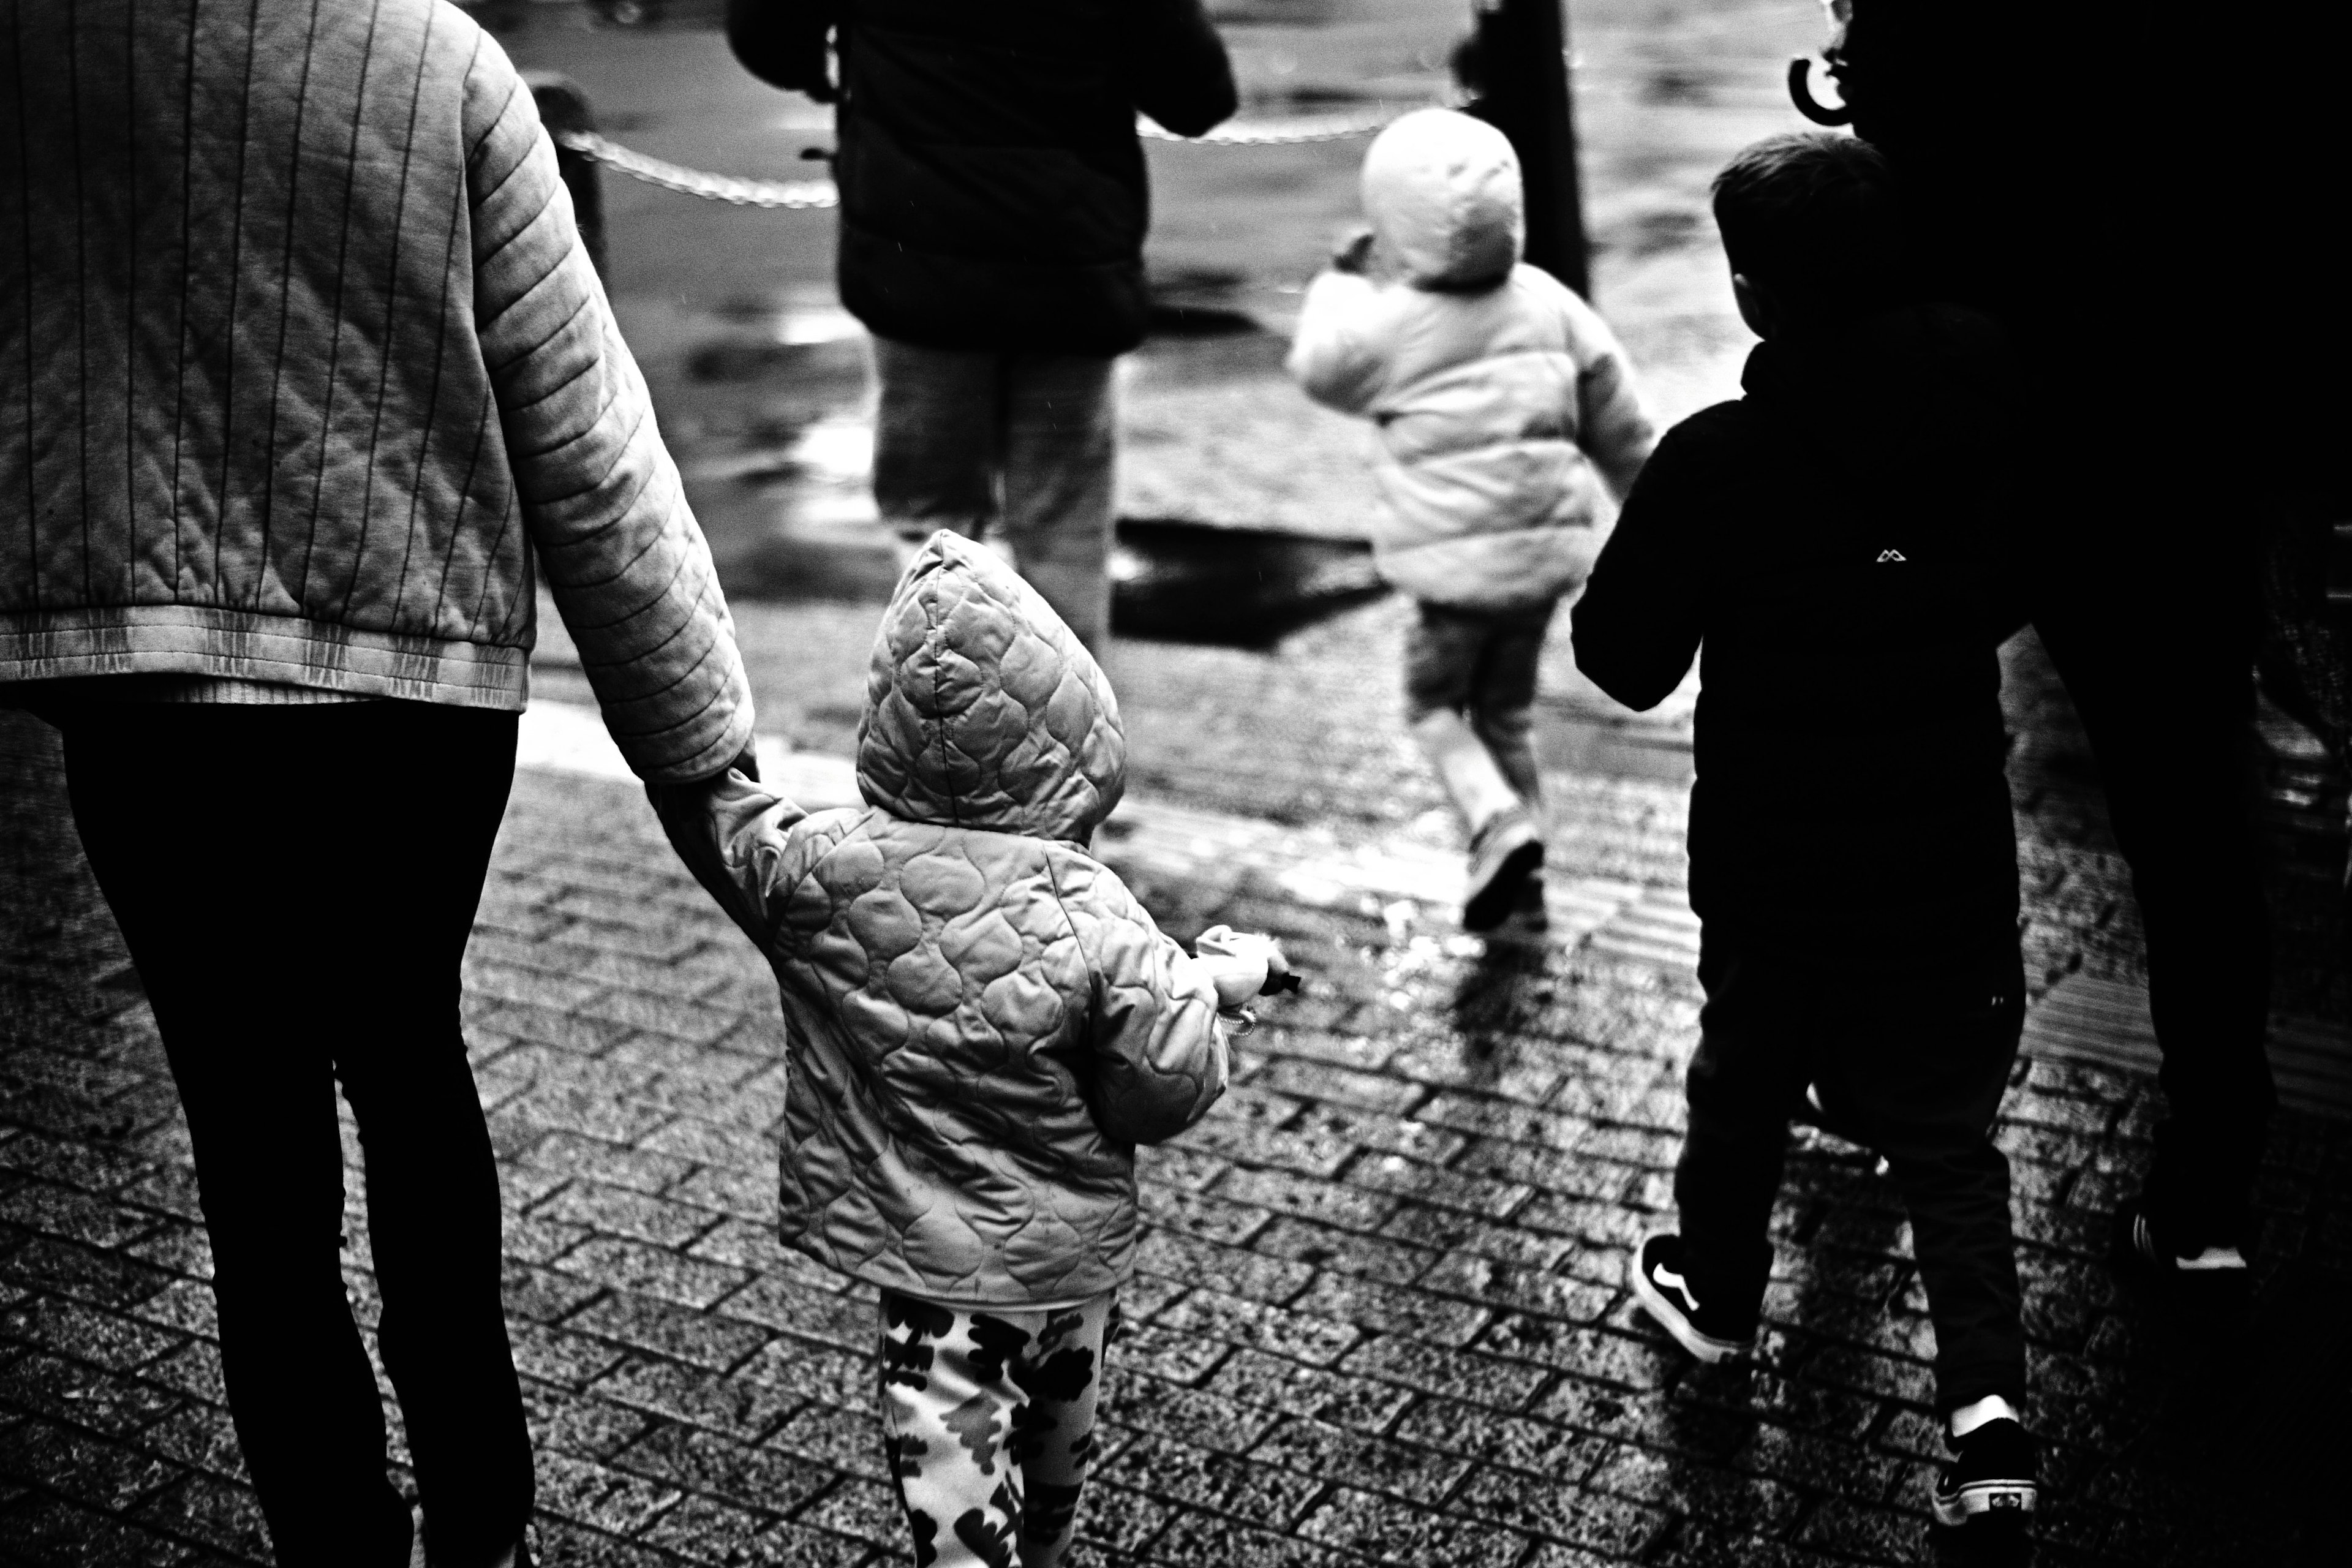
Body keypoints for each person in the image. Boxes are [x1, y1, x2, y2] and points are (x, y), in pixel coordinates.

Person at [0, 2, 756, 1564]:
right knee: (407, 1063)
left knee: (246, 1122)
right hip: (413, 675)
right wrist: (704, 761)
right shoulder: (431, 58)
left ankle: (337, 1530)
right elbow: (588, 443)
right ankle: (481, 1512)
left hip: (142, 675)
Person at [651, 530, 1284, 1568]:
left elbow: (717, 821)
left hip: (931, 1288)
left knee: (952, 1497)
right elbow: (1161, 1090)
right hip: (1064, 1275)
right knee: (1056, 1461)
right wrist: (1212, 999)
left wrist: (674, 723)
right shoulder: (1096, 910)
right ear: (1073, 728)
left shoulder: (820, 874)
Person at [1572, 134, 2037, 1530]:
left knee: (1744, 1078)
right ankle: (1986, 1410)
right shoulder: (1986, 404)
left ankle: (1712, 1294)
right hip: (1944, 849)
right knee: (1945, 1133)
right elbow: (2019, 574)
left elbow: (1621, 658)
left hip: (1773, 861)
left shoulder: (1716, 462)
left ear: (1754, 296)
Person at [1822, 0, 2320, 1279]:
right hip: (2174, 433)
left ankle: (1881, 1072)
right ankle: (2208, 1182)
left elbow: (1892, 136)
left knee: (1891, 751)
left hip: (1966, 412)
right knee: (2190, 815)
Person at [725, 0, 1239, 651]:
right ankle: (1068, 732)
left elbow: (764, 33)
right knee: (1063, 523)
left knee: (932, 522)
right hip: (1068, 272)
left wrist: (829, 67)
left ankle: (940, 715)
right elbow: (1200, 99)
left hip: (919, 270)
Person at [1287, 109, 1656, 932]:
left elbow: (1318, 368)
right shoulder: (1551, 305)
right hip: (1537, 572)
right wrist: (1653, 524)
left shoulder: (1386, 323)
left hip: (1448, 586)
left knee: (1433, 709)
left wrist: (1342, 280)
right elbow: (1623, 427)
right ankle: (1522, 878)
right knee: (1507, 714)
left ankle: (1497, 823)